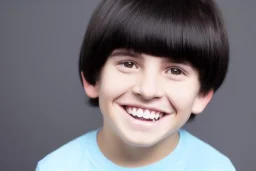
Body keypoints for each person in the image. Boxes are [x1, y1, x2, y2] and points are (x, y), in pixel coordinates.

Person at [36, 0, 236, 170]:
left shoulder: (217, 167)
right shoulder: (56, 167)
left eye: (175, 71)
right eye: (128, 64)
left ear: (202, 96)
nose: (148, 90)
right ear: (92, 79)